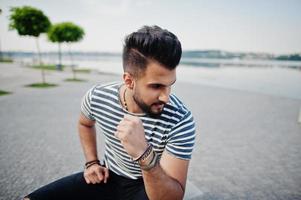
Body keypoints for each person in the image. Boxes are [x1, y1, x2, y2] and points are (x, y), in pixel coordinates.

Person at [24, 25, 196, 200]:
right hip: (108, 177)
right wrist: (91, 162)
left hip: (148, 186)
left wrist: (144, 154)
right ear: (129, 81)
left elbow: (171, 198)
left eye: (170, 84)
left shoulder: (180, 119)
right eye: (156, 86)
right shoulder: (98, 96)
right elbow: (85, 123)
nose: (166, 97)